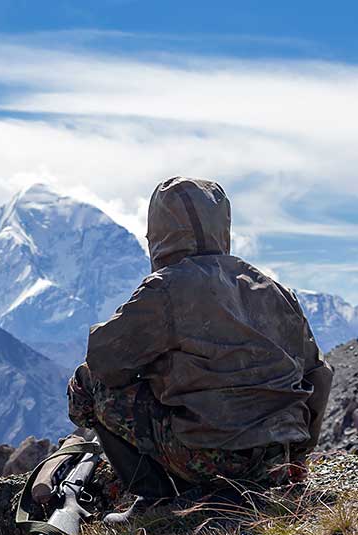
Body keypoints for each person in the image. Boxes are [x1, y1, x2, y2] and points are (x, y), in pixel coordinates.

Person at [66, 177, 334, 517]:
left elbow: (104, 362)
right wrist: (297, 454)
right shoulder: (273, 289)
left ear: (159, 233)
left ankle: (156, 500)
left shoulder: (166, 287)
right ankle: (279, 478)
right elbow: (319, 376)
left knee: (88, 383)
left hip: (209, 459)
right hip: (276, 459)